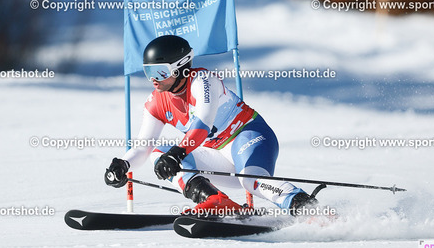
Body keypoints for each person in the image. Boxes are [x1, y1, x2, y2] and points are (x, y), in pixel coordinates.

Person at [104, 35, 315, 214]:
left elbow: (202, 125)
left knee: (251, 181)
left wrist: (177, 153)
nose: (153, 79)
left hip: (248, 137)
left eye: (160, 72)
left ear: (179, 68)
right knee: (159, 153)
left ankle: (305, 207)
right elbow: (143, 147)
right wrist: (123, 165)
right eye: (148, 72)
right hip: (217, 155)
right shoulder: (155, 102)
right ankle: (217, 201)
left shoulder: (203, 81)